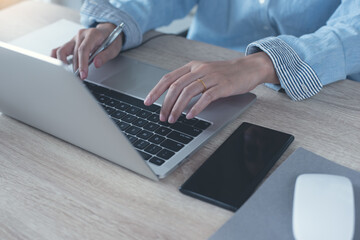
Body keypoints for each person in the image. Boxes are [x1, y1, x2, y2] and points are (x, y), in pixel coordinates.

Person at [52, 0, 360, 124]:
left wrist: (262, 64)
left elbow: (352, 30)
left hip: (318, 94)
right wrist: (115, 25)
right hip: (196, 71)